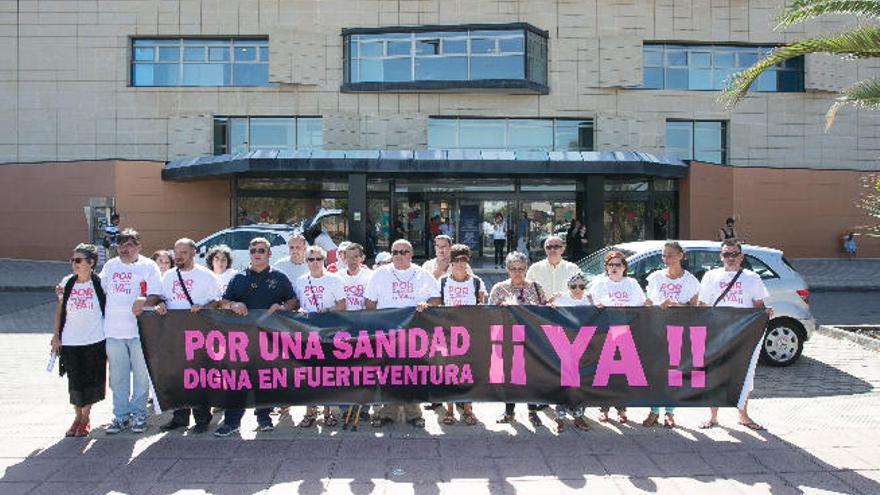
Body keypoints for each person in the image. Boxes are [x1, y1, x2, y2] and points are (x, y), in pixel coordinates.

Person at [214, 237, 299, 437]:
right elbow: (223, 301)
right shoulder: (238, 278)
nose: (257, 254)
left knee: (266, 379)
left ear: (269, 254)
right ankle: (232, 422)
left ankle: (264, 417)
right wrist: (232, 305)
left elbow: (293, 300)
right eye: (253, 250)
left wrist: (283, 307)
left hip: (269, 339)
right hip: (241, 339)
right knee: (237, 380)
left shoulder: (279, 277)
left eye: (261, 250)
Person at [137, 238, 222, 434]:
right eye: (176, 252)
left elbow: (217, 302)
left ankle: (202, 418)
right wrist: (160, 305)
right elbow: (161, 298)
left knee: (198, 378)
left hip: (198, 334)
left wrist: (204, 307)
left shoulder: (206, 276)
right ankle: (180, 417)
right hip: (174, 334)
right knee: (178, 377)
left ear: (193, 253)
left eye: (183, 252)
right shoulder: (168, 276)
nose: (178, 256)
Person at [365, 239, 441, 428]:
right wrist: (379, 321)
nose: (399, 255)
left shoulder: (422, 274)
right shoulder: (380, 274)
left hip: (414, 332)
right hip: (387, 332)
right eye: (395, 252)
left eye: (403, 252)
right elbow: (369, 301)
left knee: (411, 372)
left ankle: (413, 413)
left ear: (411, 254)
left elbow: (436, 298)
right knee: (388, 372)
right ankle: (387, 412)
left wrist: (427, 305)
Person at [698, 239, 770, 431]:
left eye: (734, 254)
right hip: (718, 332)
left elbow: (758, 306)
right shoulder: (711, 276)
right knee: (715, 373)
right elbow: (703, 305)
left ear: (741, 256)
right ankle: (712, 416)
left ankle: (743, 414)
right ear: (721, 257)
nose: (730, 258)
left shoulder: (752, 278)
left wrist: (765, 314)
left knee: (744, 373)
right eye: (726, 254)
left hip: (744, 334)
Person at [101, 229, 162, 434]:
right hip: (113, 330)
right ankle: (120, 415)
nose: (124, 249)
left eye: (129, 245)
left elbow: (157, 294)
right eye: (121, 245)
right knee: (117, 377)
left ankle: (139, 414)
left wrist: (144, 300)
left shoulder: (148, 266)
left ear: (139, 247)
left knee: (141, 376)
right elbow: (99, 290)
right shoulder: (110, 266)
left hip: (139, 331)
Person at [642, 241, 700, 429]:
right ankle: (653, 411)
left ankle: (670, 412)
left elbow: (695, 309)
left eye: (670, 255)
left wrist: (678, 306)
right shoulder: (656, 278)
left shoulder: (690, 281)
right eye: (663, 255)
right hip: (656, 331)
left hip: (678, 331)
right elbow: (648, 302)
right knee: (655, 372)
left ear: (680, 256)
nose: (666, 259)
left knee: (674, 372)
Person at [52, 243, 107, 437]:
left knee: (91, 380)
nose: (73, 263)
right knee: (74, 382)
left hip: (95, 339)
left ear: (91, 263)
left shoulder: (100, 283)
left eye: (78, 260)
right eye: (72, 260)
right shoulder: (67, 282)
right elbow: (60, 311)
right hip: (70, 340)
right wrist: (56, 336)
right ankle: (77, 417)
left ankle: (85, 418)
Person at [489, 251, 548, 428]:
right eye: (513, 268)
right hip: (507, 337)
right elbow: (488, 313)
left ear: (526, 269)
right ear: (507, 270)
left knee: (531, 376)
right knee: (509, 375)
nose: (517, 272)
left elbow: (545, 311)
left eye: (521, 269)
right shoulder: (499, 288)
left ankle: (532, 411)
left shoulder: (535, 287)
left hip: (531, 338)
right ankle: (509, 411)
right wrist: (500, 307)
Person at [588, 249, 647, 424]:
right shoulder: (599, 284)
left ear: (624, 267)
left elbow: (641, 305)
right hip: (605, 333)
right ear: (606, 267)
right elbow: (589, 303)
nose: (614, 268)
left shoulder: (632, 283)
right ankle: (604, 408)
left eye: (618, 265)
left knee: (623, 374)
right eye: (610, 265)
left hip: (627, 333)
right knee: (604, 373)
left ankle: (622, 408)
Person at [295, 245, 346, 428]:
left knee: (327, 373)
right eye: (310, 259)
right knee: (309, 373)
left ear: (324, 260)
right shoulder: (301, 280)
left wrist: (327, 310)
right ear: (306, 261)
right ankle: (309, 412)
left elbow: (342, 304)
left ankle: (328, 412)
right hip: (307, 333)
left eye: (318, 259)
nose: (315, 263)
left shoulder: (334, 280)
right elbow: (297, 303)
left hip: (329, 332)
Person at [438, 244, 485, 426]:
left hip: (470, 334)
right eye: (456, 260)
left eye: (463, 259)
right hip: (448, 334)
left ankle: (468, 409)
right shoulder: (442, 282)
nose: (460, 263)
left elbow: (482, 307)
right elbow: (436, 305)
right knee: (449, 373)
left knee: (469, 373)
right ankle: (449, 410)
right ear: (450, 262)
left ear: (468, 261)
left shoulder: (476, 282)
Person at [548, 272, 592, 433]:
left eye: (581, 286)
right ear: (568, 286)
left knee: (582, 380)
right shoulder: (561, 298)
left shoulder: (589, 299)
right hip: (564, 344)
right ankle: (559, 416)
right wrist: (550, 304)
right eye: (574, 286)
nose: (577, 289)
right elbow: (546, 312)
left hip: (584, 344)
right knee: (564, 380)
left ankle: (579, 415)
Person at [526, 235, 582, 300]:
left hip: (566, 309)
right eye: (549, 247)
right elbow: (527, 292)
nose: (552, 250)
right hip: (541, 308)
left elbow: (580, 293)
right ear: (545, 250)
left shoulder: (573, 269)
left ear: (562, 249)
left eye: (556, 247)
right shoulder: (534, 269)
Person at [339, 243, 373, 311]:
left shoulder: (370, 276)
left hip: (363, 317)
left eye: (356, 256)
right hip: (343, 317)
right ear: (345, 258)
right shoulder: (337, 277)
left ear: (362, 258)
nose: (352, 260)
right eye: (349, 257)